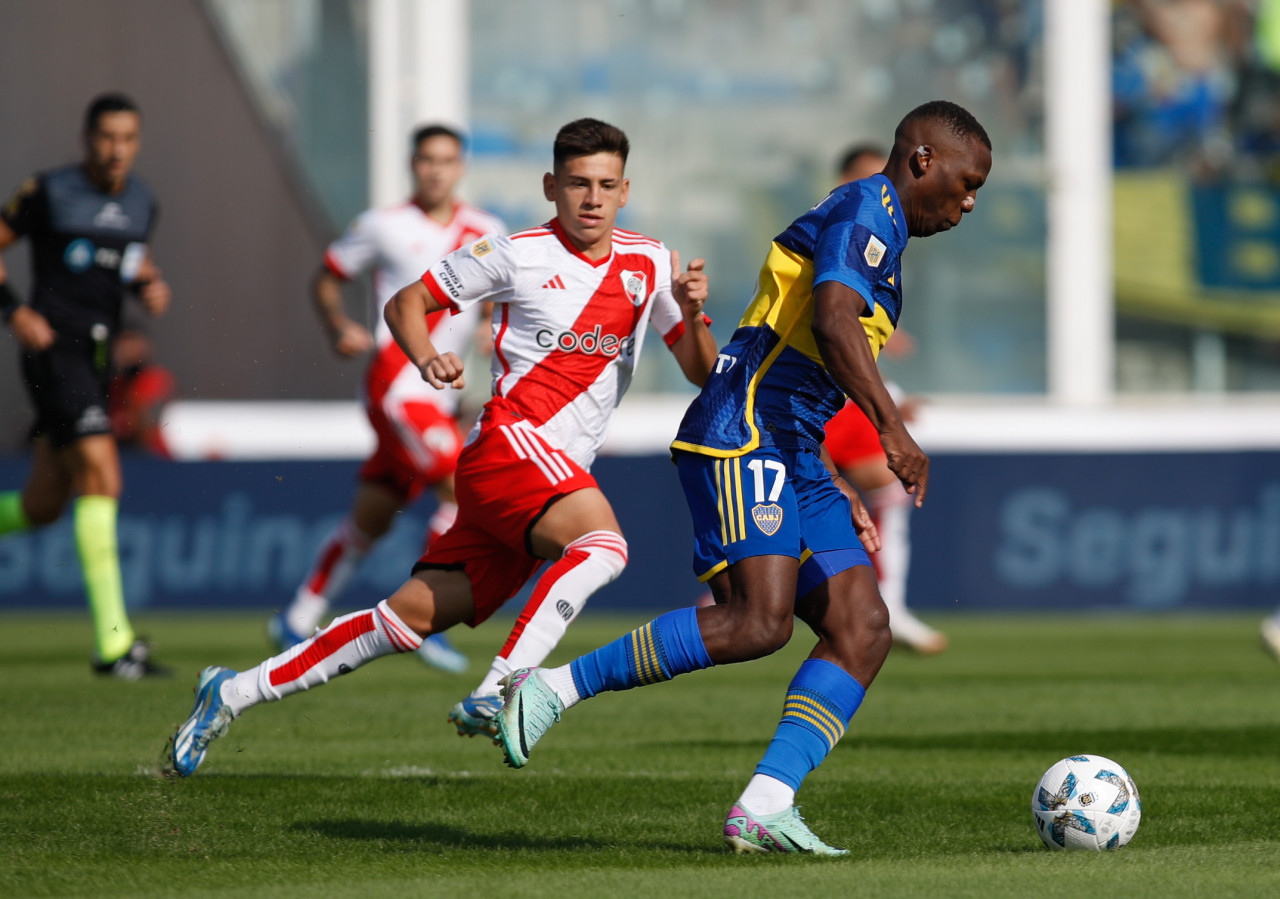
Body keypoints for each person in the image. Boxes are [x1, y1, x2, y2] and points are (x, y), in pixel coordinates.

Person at [495, 101, 992, 856]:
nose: (970, 202)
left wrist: (833, 474)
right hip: (743, 429)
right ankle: (550, 687)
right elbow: (830, 320)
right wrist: (893, 431)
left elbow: (808, 356)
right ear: (922, 161)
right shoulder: (868, 208)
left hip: (792, 444)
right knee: (758, 621)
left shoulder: (881, 229)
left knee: (863, 626)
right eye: (965, 183)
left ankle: (766, 803)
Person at [168, 117, 719, 777]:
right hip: (511, 445)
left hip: (545, 480)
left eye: (604, 184)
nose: (591, 198)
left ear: (625, 189)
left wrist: (689, 314)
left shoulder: (651, 262)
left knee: (400, 622)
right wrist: (427, 358)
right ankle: (503, 687)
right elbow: (405, 303)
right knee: (603, 547)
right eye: (577, 183)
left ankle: (229, 692)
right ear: (551, 185)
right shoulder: (514, 253)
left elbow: (698, 368)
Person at [267, 124, 504, 675]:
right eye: (427, 160)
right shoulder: (383, 226)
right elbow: (327, 276)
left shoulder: (485, 229)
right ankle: (429, 618)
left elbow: (492, 294)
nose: (437, 170)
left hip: (442, 392)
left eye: (447, 160)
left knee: (373, 515)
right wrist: (338, 326)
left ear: (461, 166)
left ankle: (297, 618)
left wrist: (488, 327)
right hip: (396, 383)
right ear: (412, 165)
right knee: (460, 485)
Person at [0, 93, 171, 679]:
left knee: (42, 505)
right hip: (53, 350)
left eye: (127, 138)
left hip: (96, 358)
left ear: (138, 141)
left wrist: (148, 285)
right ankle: (115, 646)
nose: (116, 149)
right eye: (106, 138)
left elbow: (125, 265)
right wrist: (13, 312)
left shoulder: (144, 201)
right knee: (103, 473)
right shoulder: (49, 190)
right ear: (87, 138)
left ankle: (115, 645)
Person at [824, 142, 947, 655]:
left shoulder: (874, 236)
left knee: (881, 488)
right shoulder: (843, 226)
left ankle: (887, 605)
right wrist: (890, 405)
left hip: (829, 393)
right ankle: (887, 604)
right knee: (888, 484)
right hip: (813, 393)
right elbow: (832, 328)